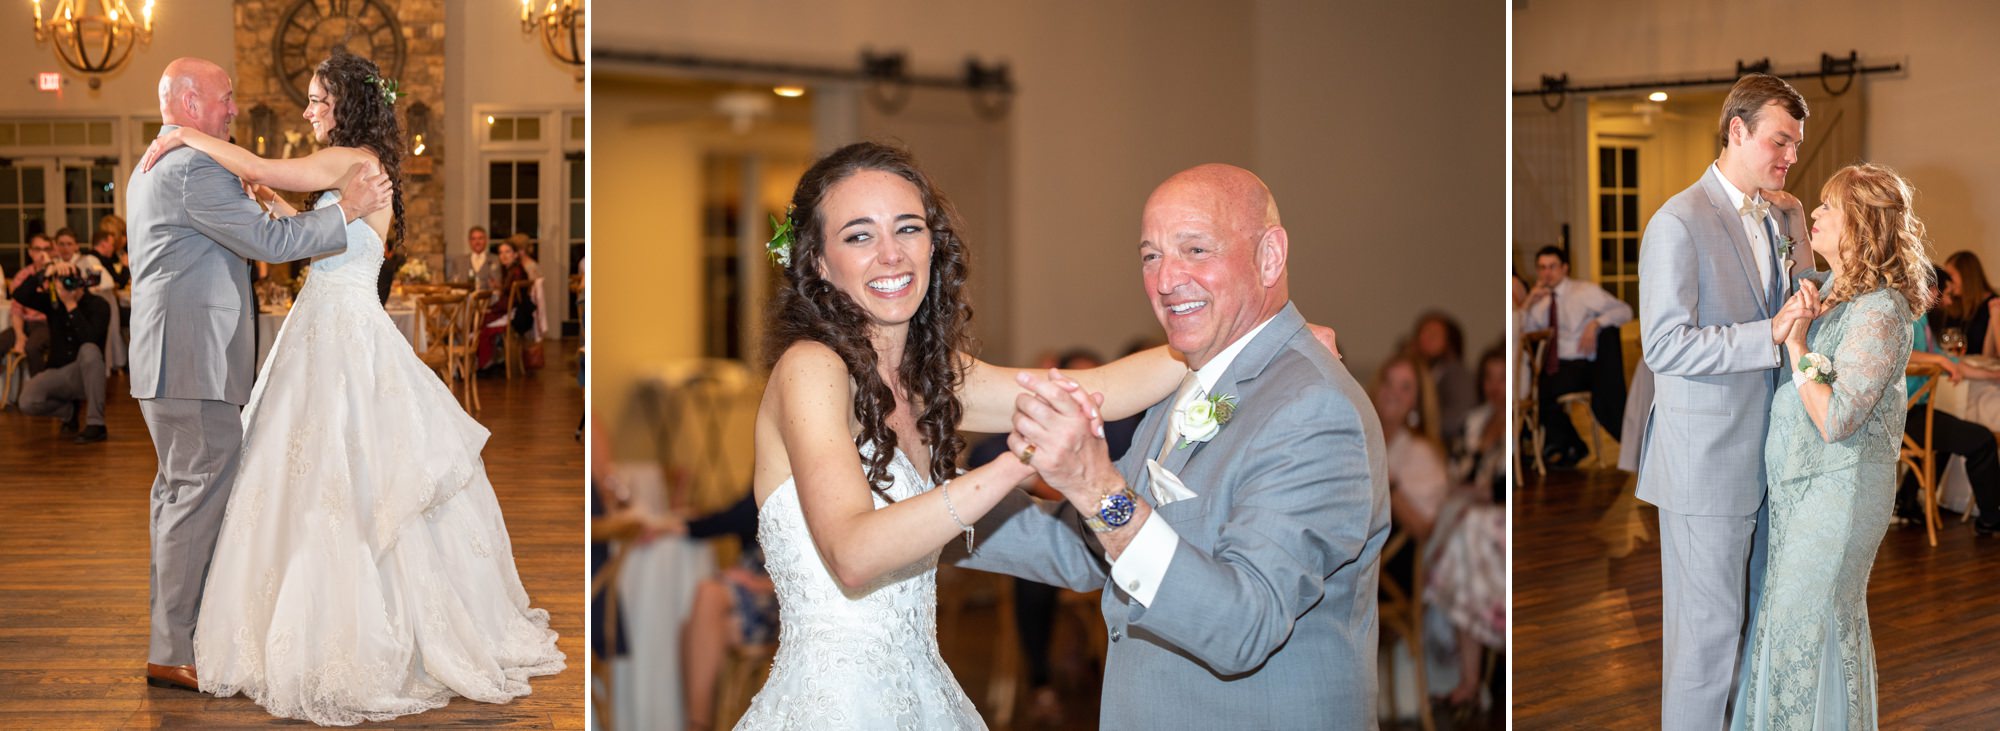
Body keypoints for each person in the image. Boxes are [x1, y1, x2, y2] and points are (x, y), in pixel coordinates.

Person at [735, 143, 1265, 728]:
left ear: (933, 246)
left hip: (922, 694)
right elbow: (854, 555)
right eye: (859, 236)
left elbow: (1096, 389)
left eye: (907, 228)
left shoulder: (928, 377)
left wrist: (1243, 341)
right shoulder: (811, 368)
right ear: (818, 262)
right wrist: (1021, 459)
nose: (891, 254)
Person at [137, 51, 564, 724]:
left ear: (343, 105)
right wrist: (274, 204)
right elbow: (315, 234)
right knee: (328, 472)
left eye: (315, 99)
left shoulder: (350, 160)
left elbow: (259, 167)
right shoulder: (355, 165)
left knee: (334, 474)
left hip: (337, 331)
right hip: (330, 323)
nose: (307, 110)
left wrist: (188, 136)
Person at [966, 163, 1387, 728]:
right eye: (1151, 255)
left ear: (1269, 256)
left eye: (1195, 249)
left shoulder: (1313, 408)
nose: (1166, 280)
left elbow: (1245, 626)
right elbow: (1092, 549)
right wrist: (927, 519)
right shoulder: (1192, 378)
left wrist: (1098, 487)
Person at [125, 55, 388, 696]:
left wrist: (268, 199)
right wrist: (346, 210)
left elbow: (253, 228)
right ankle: (173, 647)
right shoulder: (190, 166)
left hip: (173, 360)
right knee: (192, 498)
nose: (234, 109)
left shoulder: (161, 161)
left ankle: (176, 636)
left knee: (177, 497)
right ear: (189, 104)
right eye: (224, 100)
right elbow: (270, 246)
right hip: (192, 361)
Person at [1636, 72, 1819, 731]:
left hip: (1769, 459)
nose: (1790, 157)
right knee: (1704, 648)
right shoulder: (1677, 222)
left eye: (1796, 146)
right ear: (1736, 130)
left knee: (1751, 637)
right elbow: (1664, 346)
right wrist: (1765, 334)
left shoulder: (1778, 214)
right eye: (1780, 141)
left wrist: (1803, 253)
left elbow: (1794, 301)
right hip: (1706, 466)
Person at [1731, 163, 1928, 729]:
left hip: (1838, 493)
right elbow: (1798, 242)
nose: (1813, 214)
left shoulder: (1883, 310)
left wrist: (1796, 349)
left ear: (1861, 226)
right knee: (1788, 623)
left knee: (1811, 624)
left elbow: (1838, 417)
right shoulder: (1837, 295)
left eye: (1827, 207)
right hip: (1800, 490)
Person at [1898, 265, 2000, 535]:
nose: (1946, 300)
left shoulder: (1920, 320)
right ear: (1931, 290)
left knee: (1947, 436)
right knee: (1982, 441)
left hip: (1913, 414)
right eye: (1944, 293)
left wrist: (1992, 374)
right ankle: (1991, 519)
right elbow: (1901, 355)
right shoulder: (1904, 316)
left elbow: (1953, 363)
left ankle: (1906, 501)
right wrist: (1941, 359)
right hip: (1900, 416)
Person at [1522, 244, 1632, 467]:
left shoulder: (1584, 292)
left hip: (1580, 364)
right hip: (1552, 365)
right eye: (1542, 268)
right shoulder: (1541, 300)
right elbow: (1521, 330)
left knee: (1540, 393)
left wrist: (1596, 323)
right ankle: (1568, 444)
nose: (1547, 273)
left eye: (1552, 267)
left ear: (1565, 268)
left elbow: (1625, 311)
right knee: (1528, 395)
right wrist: (1529, 301)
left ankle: (1569, 445)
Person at [13, 259, 112, 442]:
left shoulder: (99, 305)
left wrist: (71, 306)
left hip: (87, 375)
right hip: (59, 373)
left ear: (80, 281)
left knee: (89, 349)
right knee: (27, 400)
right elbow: (19, 295)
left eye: (71, 279)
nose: (67, 285)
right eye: (62, 280)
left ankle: (96, 424)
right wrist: (44, 272)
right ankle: (68, 412)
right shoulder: (53, 303)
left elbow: (90, 339)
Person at [1407, 311, 1477, 440]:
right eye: (1421, 334)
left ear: (1449, 342)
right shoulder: (1426, 372)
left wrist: (1421, 429)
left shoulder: (1456, 374)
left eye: (1432, 336)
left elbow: (1459, 417)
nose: (1424, 340)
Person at [3, 234, 55, 374]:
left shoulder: (56, 273)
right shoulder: (23, 275)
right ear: (30, 252)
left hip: (47, 323)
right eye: (38, 249)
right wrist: (19, 335)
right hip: (25, 323)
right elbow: (17, 308)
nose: (42, 254)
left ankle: (37, 389)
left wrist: (49, 270)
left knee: (32, 347)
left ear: (52, 251)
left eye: (46, 249)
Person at [1940, 250, 1999, 356]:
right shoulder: (1952, 305)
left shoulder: (1994, 305)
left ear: (1966, 275)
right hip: (1958, 367)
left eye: (1950, 276)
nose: (1947, 282)